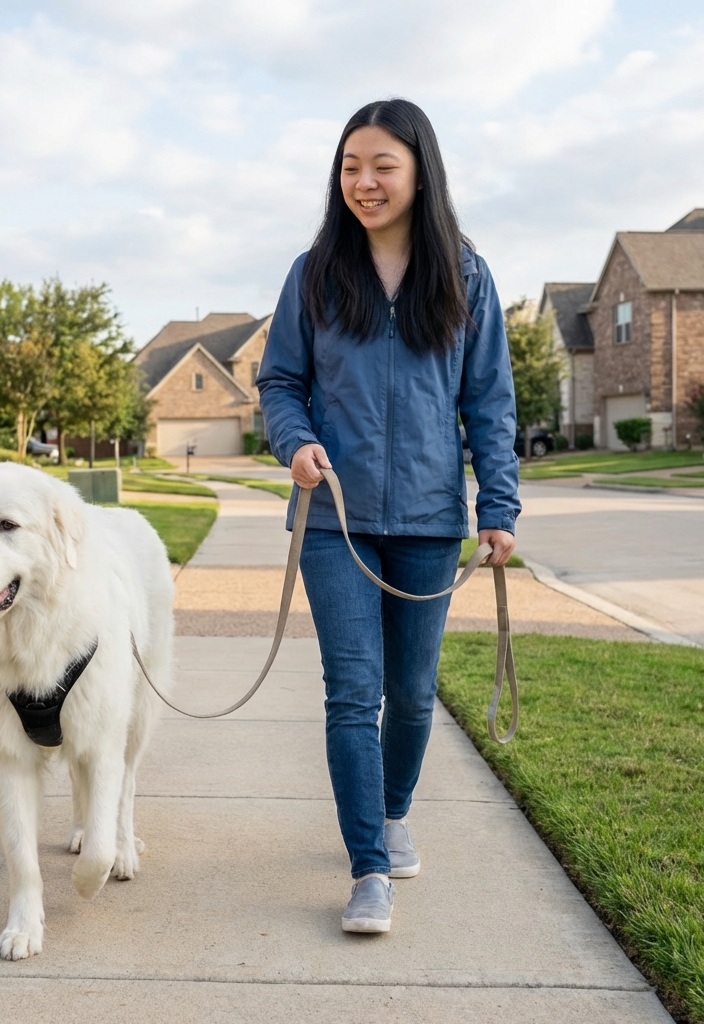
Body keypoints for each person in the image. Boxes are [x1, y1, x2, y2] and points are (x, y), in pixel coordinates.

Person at [257, 99, 520, 934]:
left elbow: (490, 404)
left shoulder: (467, 277)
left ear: (419, 172)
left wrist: (498, 505)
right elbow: (280, 383)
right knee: (352, 693)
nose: (363, 183)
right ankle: (369, 868)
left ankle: (393, 810)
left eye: (382, 166)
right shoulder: (314, 272)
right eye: (350, 167)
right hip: (334, 520)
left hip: (431, 521)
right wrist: (295, 444)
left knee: (410, 696)